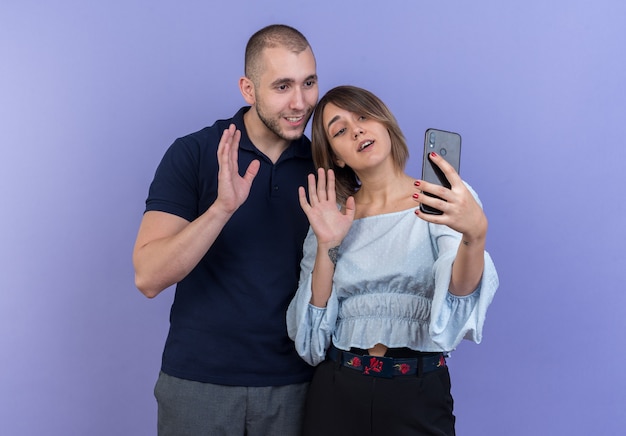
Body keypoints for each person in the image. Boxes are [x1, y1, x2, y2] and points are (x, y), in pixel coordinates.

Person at [132, 24, 319, 435]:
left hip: (298, 385)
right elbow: (148, 276)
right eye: (283, 86)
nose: (300, 102)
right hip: (198, 384)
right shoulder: (196, 152)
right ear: (247, 90)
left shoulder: (325, 165)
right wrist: (221, 209)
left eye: (309, 82)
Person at [286, 85, 499, 435]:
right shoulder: (331, 216)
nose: (356, 130)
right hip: (338, 392)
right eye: (339, 130)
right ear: (336, 157)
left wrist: (475, 236)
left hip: (417, 393)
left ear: (385, 124)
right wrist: (328, 245)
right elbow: (311, 341)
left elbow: (458, 298)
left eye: (363, 116)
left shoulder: (443, 199)